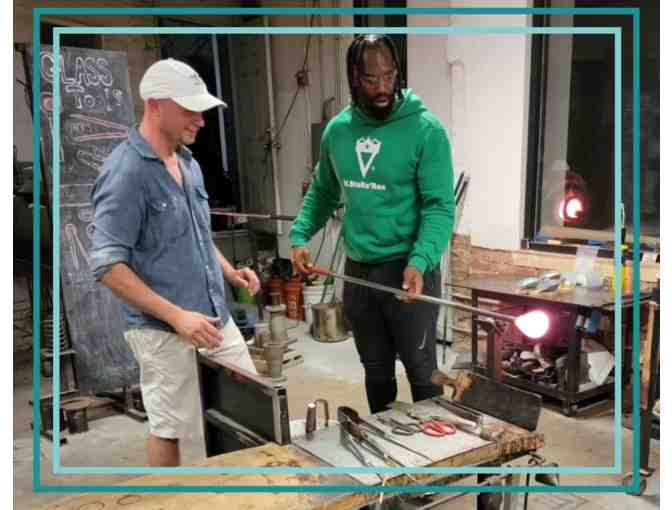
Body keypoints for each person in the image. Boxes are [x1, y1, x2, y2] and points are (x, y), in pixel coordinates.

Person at [90, 58, 260, 466]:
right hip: (163, 330)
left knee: (251, 402)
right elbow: (107, 265)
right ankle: (167, 495)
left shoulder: (188, 163)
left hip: (215, 317)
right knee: (170, 426)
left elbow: (197, 235)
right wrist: (177, 317)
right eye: (190, 109)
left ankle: (244, 490)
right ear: (155, 105)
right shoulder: (126, 173)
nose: (200, 120)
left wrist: (230, 273)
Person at [290, 35, 455, 414]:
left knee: (422, 373)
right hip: (360, 273)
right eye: (370, 79)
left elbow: (439, 207)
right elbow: (323, 191)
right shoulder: (338, 132)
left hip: (409, 271)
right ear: (353, 77)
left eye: (389, 76)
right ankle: (384, 446)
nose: (382, 88)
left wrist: (421, 260)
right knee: (376, 371)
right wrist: (300, 234)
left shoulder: (425, 130)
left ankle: (434, 452)